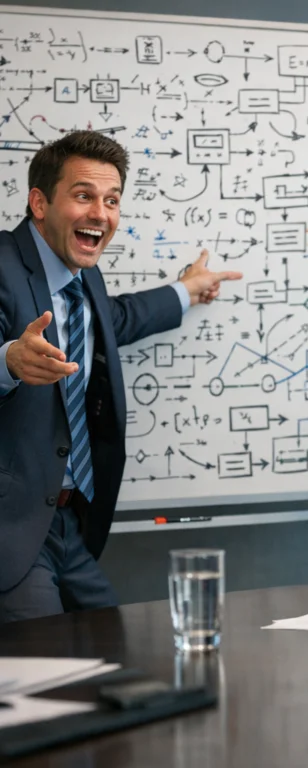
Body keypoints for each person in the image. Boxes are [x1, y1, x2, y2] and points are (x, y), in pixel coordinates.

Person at [0, 130, 242, 621]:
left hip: (69, 521)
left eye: (112, 200)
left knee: (113, 654)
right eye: (84, 196)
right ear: (39, 203)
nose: (101, 214)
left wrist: (187, 291)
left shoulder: (82, 274)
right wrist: (7, 360)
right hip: (13, 526)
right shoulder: (4, 264)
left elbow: (114, 319)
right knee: (51, 676)